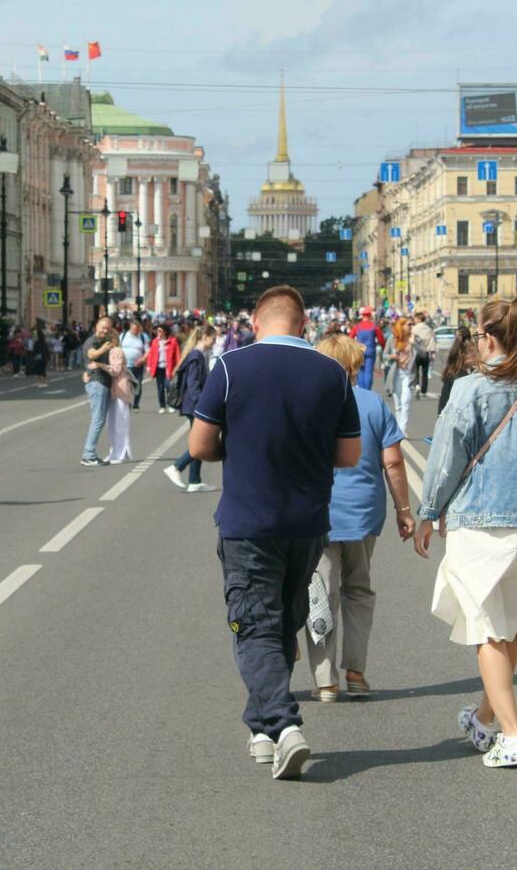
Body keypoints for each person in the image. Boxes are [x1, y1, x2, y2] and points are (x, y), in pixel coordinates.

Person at [186, 285, 362, 780]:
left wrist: (237, 447)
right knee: (283, 622)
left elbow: (199, 446)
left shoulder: (230, 367)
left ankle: (286, 727)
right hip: (308, 523)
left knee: (253, 624)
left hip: (248, 522)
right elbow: (349, 456)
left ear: (257, 322)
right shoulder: (331, 373)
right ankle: (262, 730)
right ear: (302, 324)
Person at [413, 295, 517, 769]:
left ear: (489, 337)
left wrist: (429, 511)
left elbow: (446, 458)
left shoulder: (470, 389)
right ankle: (482, 717)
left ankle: (513, 735)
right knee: (507, 627)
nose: (474, 343)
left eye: (477, 334)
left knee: (488, 630)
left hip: (482, 524)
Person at [308, 334, 414, 702]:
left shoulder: (308, 403)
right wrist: (404, 511)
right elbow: (394, 462)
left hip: (317, 514)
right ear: (354, 366)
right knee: (359, 591)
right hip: (364, 514)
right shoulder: (372, 404)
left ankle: (325, 680)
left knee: (321, 593)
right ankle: (355, 670)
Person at [165, 326, 217, 492]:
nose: (214, 342)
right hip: (195, 405)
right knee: (202, 442)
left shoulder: (197, 354)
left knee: (199, 441)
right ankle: (176, 467)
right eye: (213, 339)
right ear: (205, 336)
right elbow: (193, 384)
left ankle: (194, 480)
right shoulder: (196, 356)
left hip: (193, 405)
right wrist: (203, 403)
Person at [79, 317, 116, 466]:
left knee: (100, 419)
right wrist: (103, 350)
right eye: (103, 328)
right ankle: (88, 455)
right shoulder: (92, 341)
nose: (105, 330)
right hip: (97, 382)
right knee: (98, 419)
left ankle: (90, 454)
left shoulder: (104, 341)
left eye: (108, 328)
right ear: (96, 327)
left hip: (102, 382)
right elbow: (91, 355)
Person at [102, 342, 134, 464]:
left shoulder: (116, 351)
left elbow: (115, 371)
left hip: (121, 390)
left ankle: (120, 454)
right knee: (112, 423)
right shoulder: (105, 352)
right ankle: (115, 452)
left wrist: (101, 366)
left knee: (120, 422)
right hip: (113, 390)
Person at [436, 326, 475, 415]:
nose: (476, 356)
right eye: (473, 353)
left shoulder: (454, 373)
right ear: (464, 356)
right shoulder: (459, 379)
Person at [146, 323, 181, 414]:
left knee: (169, 386)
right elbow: (151, 355)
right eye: (157, 331)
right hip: (158, 368)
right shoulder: (155, 342)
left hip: (169, 368)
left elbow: (177, 355)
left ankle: (171, 405)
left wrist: (178, 367)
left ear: (165, 332)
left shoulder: (173, 341)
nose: (158, 332)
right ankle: (162, 406)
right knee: (160, 388)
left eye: (160, 331)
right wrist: (149, 366)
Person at [348, 308, 386, 391]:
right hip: (370, 350)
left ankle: (362, 389)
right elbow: (381, 339)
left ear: (362, 316)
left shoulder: (357, 327)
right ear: (370, 316)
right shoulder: (374, 327)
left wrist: (352, 348)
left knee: (360, 371)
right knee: (368, 371)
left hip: (359, 351)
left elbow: (350, 338)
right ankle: (367, 390)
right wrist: (384, 348)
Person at [121, 319, 147, 409]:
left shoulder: (143, 337)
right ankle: (127, 402)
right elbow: (117, 348)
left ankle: (136, 404)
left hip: (138, 365)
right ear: (130, 328)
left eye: (137, 329)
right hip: (126, 365)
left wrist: (142, 360)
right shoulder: (123, 336)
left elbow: (148, 351)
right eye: (134, 329)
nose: (135, 331)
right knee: (126, 384)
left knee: (138, 384)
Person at [410, 312, 435, 396]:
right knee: (425, 372)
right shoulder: (429, 329)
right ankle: (424, 391)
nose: (414, 320)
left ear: (419, 319)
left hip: (416, 352)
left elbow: (412, 341)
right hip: (426, 352)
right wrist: (432, 353)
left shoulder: (414, 329)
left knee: (416, 371)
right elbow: (432, 342)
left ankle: (417, 386)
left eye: (415, 318)